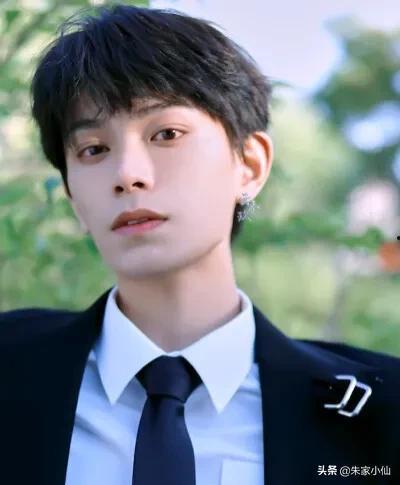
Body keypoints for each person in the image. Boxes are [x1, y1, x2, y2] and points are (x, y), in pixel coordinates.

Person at [0, 4, 399, 485]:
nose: (127, 174)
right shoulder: (11, 372)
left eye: (166, 134)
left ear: (249, 164)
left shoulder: (380, 413)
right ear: (73, 197)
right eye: (94, 149)